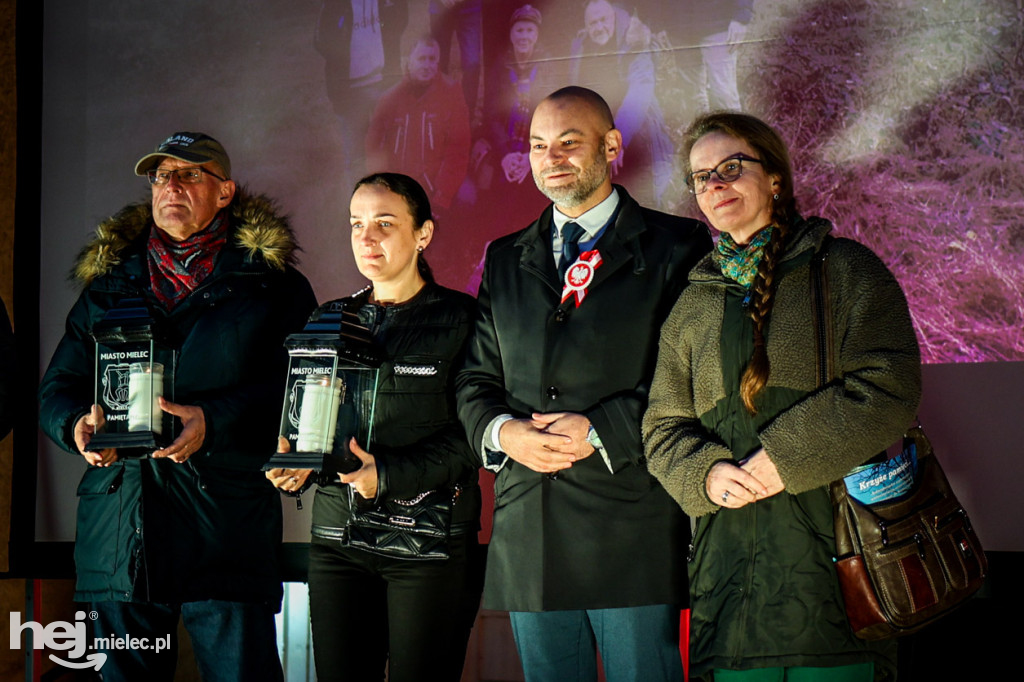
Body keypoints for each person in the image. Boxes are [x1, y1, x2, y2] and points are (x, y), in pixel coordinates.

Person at [642, 112, 922, 681]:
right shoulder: (691, 307)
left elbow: (891, 386)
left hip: (840, 590)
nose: (715, 185)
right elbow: (661, 427)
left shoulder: (846, 271)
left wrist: (785, 459)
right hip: (728, 604)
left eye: (730, 168)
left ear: (774, 177)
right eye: (701, 177)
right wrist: (705, 475)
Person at [37, 132, 317, 681]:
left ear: (225, 192)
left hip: (225, 529)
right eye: (161, 176)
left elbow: (301, 398)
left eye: (190, 174)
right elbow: (58, 387)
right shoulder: (109, 284)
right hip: (122, 532)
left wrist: (212, 420)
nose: (171, 185)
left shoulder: (273, 286)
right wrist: (75, 425)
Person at [456, 86, 711, 681]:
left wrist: (599, 428)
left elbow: (697, 379)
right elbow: (474, 380)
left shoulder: (678, 246)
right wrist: (503, 434)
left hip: (634, 521)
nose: (552, 157)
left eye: (569, 142)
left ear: (612, 147)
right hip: (531, 527)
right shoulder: (502, 257)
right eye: (540, 145)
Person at [266, 173, 482, 682]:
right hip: (339, 543)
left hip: (428, 545)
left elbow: (477, 438)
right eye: (356, 224)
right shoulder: (330, 318)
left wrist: (386, 473)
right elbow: (315, 429)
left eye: (384, 223)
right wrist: (298, 462)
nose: (367, 237)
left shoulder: (464, 319)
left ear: (423, 234)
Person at [568, 0, 675, 209]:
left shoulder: (634, 40)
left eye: (603, 21)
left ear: (614, 18)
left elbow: (640, 92)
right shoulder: (579, 47)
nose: (598, 28)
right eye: (593, 23)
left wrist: (616, 140)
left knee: (646, 205)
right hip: (595, 140)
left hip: (637, 136)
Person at [365, 36, 472, 215]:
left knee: (468, 197)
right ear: (408, 62)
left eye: (432, 59)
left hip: (436, 188)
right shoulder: (389, 99)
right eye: (421, 59)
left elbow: (458, 149)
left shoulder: (452, 94)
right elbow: (374, 148)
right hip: (400, 188)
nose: (427, 65)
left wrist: (442, 197)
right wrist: (388, 191)